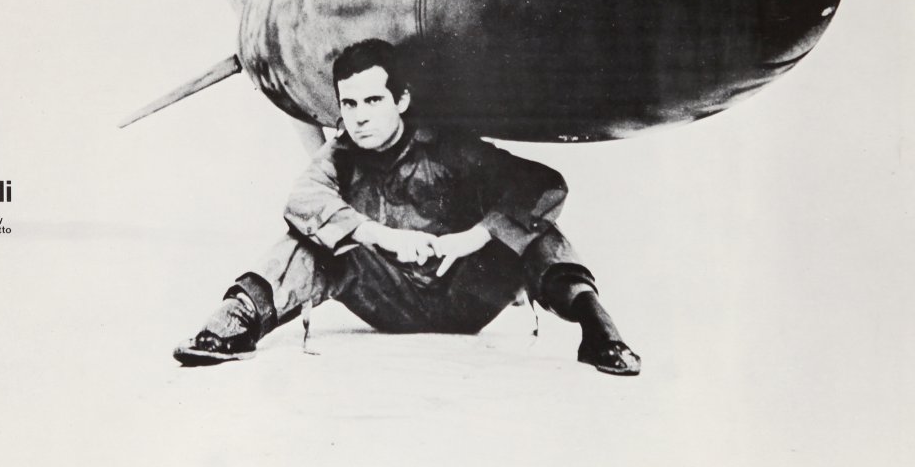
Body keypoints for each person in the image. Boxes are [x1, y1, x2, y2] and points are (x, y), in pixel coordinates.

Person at [173, 39, 641, 375]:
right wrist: (381, 235)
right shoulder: (341, 153)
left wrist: (473, 238)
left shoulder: (450, 148)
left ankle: (599, 330)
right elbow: (303, 199)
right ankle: (236, 322)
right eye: (349, 103)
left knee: (534, 228)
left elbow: (543, 184)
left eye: (373, 100)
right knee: (308, 237)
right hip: (387, 298)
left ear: (401, 100)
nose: (360, 116)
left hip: (468, 293)